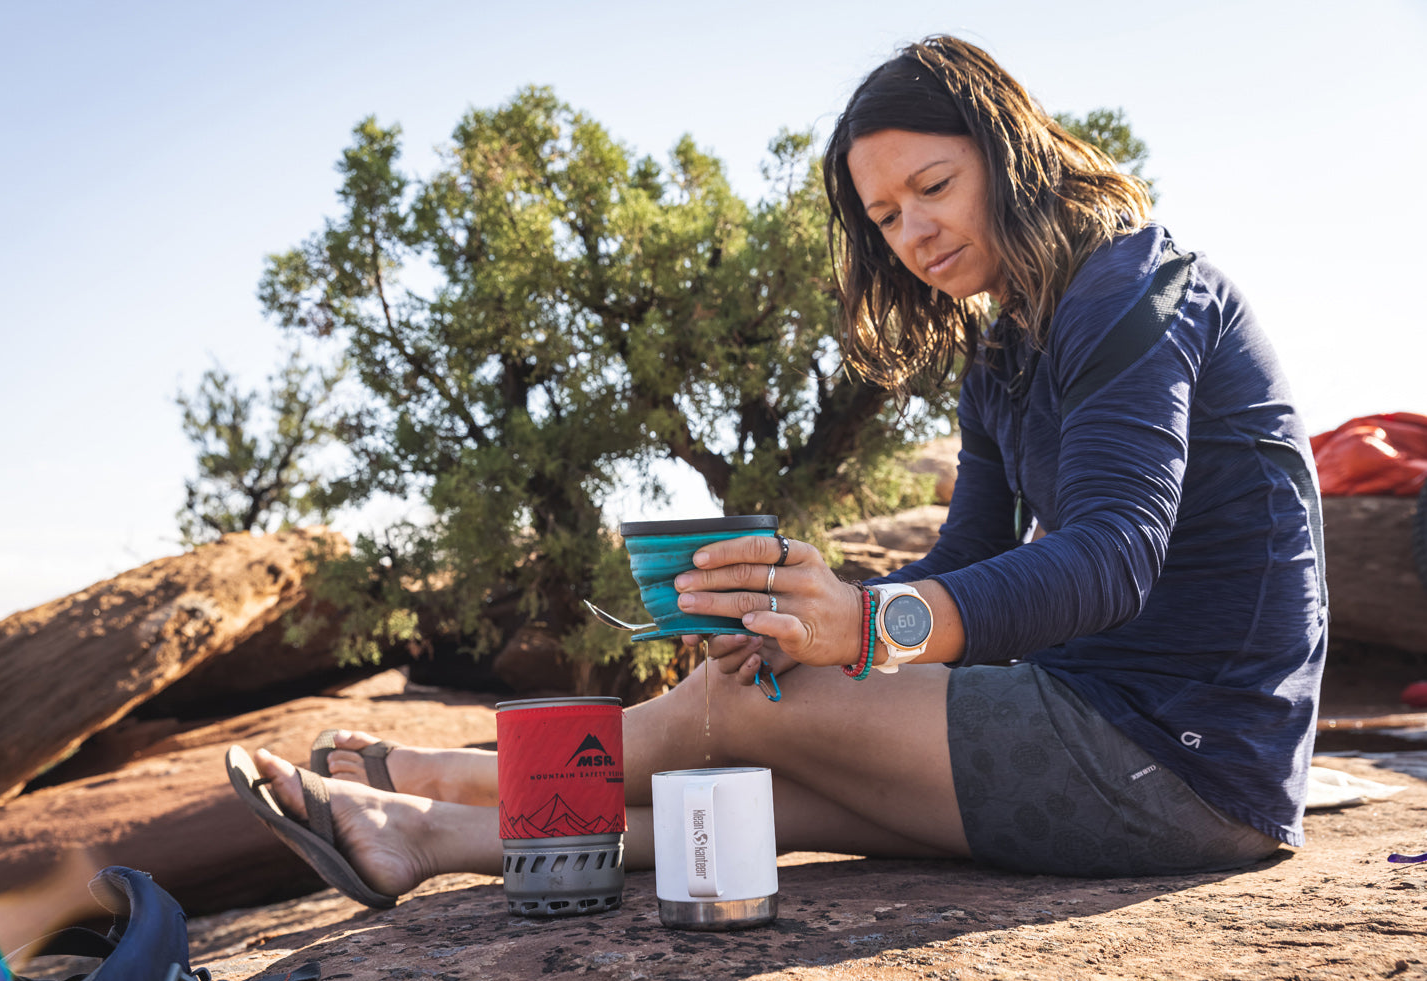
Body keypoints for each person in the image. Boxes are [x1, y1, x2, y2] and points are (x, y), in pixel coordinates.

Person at [229, 34, 1324, 900]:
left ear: (1012, 150)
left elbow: (1111, 558)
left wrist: (864, 631)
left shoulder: (1133, 285)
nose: (915, 235)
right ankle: (424, 837)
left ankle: (441, 771)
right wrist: (814, 616)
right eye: (887, 216)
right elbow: (968, 556)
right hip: (1101, 725)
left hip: (1181, 757)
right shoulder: (1003, 345)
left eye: (933, 186)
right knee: (751, 785)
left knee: (742, 706)